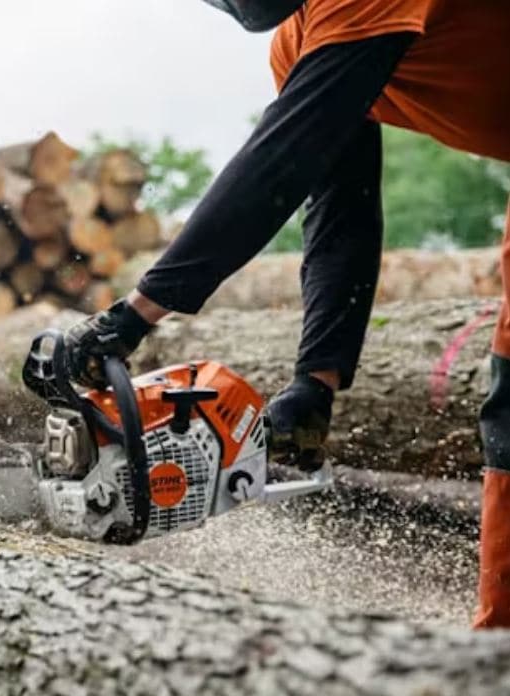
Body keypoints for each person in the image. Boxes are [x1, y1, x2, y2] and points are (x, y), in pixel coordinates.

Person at [37, 0, 510, 628]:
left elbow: (280, 160)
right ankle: (494, 661)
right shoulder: (298, 39)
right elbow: (341, 206)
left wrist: (136, 312)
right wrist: (318, 380)